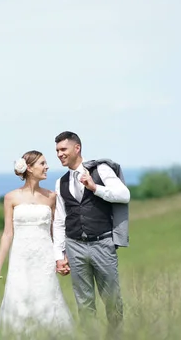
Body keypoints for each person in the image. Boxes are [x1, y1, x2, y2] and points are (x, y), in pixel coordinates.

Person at [52, 131, 130, 335]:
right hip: (74, 245)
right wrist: (59, 255)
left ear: (77, 148)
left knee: (112, 299)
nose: (59, 154)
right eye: (57, 151)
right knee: (84, 303)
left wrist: (95, 188)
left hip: (102, 243)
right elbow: (60, 220)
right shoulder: (60, 183)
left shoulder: (100, 169)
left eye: (63, 149)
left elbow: (124, 195)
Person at [0, 150, 74, 339]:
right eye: (42, 164)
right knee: (20, 300)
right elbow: (7, 234)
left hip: (44, 257)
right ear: (29, 168)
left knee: (46, 298)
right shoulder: (11, 198)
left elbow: (56, 231)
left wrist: (61, 257)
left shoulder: (51, 197)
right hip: (20, 259)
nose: (47, 167)